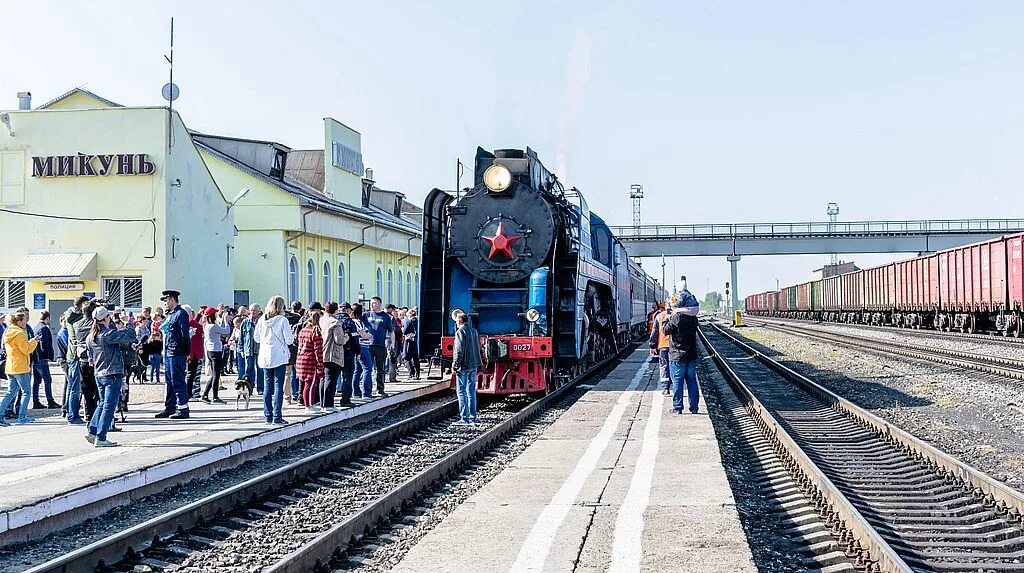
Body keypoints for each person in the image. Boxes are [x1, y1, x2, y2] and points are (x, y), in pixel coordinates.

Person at [84, 307, 136, 446]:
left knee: (102, 403)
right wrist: (128, 322)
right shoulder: (107, 335)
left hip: (99, 373)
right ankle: (101, 437)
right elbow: (131, 336)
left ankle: (93, 431)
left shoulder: (90, 336)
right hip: (112, 373)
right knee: (109, 406)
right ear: (106, 318)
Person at [662, 282, 701, 415]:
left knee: (677, 381)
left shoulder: (676, 317)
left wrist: (666, 318)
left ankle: (678, 407)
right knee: (691, 381)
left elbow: (666, 330)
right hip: (691, 354)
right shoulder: (693, 318)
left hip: (677, 355)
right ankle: (694, 407)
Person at [255, 295, 294, 424]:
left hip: (265, 355)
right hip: (279, 356)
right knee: (278, 386)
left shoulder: (261, 320)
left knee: (267, 386)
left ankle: (267, 415)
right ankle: (277, 416)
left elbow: (257, 338)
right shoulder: (283, 320)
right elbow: (289, 340)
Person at [0, 311, 42, 426]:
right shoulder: (19, 333)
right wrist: (34, 341)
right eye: (24, 320)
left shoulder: (8, 331)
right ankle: (22, 416)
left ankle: (0, 415)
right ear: (19, 322)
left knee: (11, 392)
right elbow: (26, 349)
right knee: (26, 392)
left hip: (10, 366)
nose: (26, 322)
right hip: (20, 367)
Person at [157, 290, 191, 419]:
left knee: (177, 380)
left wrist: (186, 352)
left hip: (177, 352)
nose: (165, 303)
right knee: (169, 382)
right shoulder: (171, 314)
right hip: (169, 352)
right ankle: (170, 407)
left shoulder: (181, 314)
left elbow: (185, 335)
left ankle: (183, 408)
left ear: (172, 299)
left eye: (166, 301)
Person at [361, 297, 394, 398]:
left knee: (380, 368)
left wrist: (393, 342)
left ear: (379, 304)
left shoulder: (386, 316)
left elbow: (391, 331)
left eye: (374, 303)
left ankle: (380, 389)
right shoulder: (365, 315)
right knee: (368, 368)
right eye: (371, 303)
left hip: (380, 345)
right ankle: (367, 390)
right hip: (368, 345)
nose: (372, 305)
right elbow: (360, 327)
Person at [451, 311, 481, 424]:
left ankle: (464, 418)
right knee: (471, 390)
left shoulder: (460, 332)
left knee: (461, 391)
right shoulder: (474, 331)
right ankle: (473, 416)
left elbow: (459, 351)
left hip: (464, 365)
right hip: (474, 364)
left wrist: (455, 366)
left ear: (458, 321)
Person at [62, 296, 88, 425]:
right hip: (75, 356)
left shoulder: (72, 315)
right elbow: (83, 320)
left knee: (72, 387)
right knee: (75, 388)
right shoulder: (73, 317)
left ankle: (69, 413)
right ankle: (73, 416)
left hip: (72, 356)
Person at [320, 302, 351, 409]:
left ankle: (322, 402)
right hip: (333, 353)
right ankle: (329, 404)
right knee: (331, 379)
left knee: (324, 379)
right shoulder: (335, 322)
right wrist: (346, 336)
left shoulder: (322, 320)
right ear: (335, 310)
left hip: (323, 352)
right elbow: (339, 340)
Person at [74, 301, 101, 422]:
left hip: (82, 359)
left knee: (87, 391)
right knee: (99, 391)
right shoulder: (95, 324)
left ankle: (90, 417)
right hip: (95, 359)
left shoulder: (77, 324)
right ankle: (99, 417)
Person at [296, 307, 325, 413]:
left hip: (300, 359)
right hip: (310, 361)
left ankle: (309, 404)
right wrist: (320, 365)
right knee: (310, 384)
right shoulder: (316, 332)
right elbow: (318, 350)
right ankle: (308, 405)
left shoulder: (303, 331)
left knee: (305, 384)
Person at [201, 308, 231, 404]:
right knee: (216, 375)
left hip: (210, 350)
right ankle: (215, 397)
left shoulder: (207, 326)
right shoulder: (213, 326)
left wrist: (221, 319)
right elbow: (226, 331)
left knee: (214, 374)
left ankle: (205, 394)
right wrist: (226, 320)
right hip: (215, 351)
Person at [32, 311, 59, 409]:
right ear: (47, 318)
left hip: (35, 358)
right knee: (47, 380)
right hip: (41, 359)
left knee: (36, 381)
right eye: (49, 318)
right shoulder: (44, 328)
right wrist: (47, 355)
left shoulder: (35, 327)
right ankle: (50, 401)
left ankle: (35, 401)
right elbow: (44, 344)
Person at [648, 301, 672, 396]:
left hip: (663, 345)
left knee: (664, 365)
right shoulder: (677, 315)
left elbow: (655, 332)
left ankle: (666, 388)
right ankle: (675, 385)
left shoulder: (659, 316)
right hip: (675, 346)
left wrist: (652, 345)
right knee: (674, 366)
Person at [184, 305, 204, 399]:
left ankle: (189, 393)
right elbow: (201, 327)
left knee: (191, 373)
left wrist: (199, 314)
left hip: (192, 351)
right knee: (191, 373)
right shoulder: (191, 322)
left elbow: (195, 322)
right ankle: (189, 393)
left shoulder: (189, 322)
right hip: (194, 352)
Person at [403, 308, 420, 380]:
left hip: (409, 340)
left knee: (406, 356)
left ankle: (411, 373)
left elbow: (405, 331)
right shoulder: (417, 321)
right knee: (415, 357)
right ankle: (417, 373)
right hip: (415, 340)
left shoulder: (409, 321)